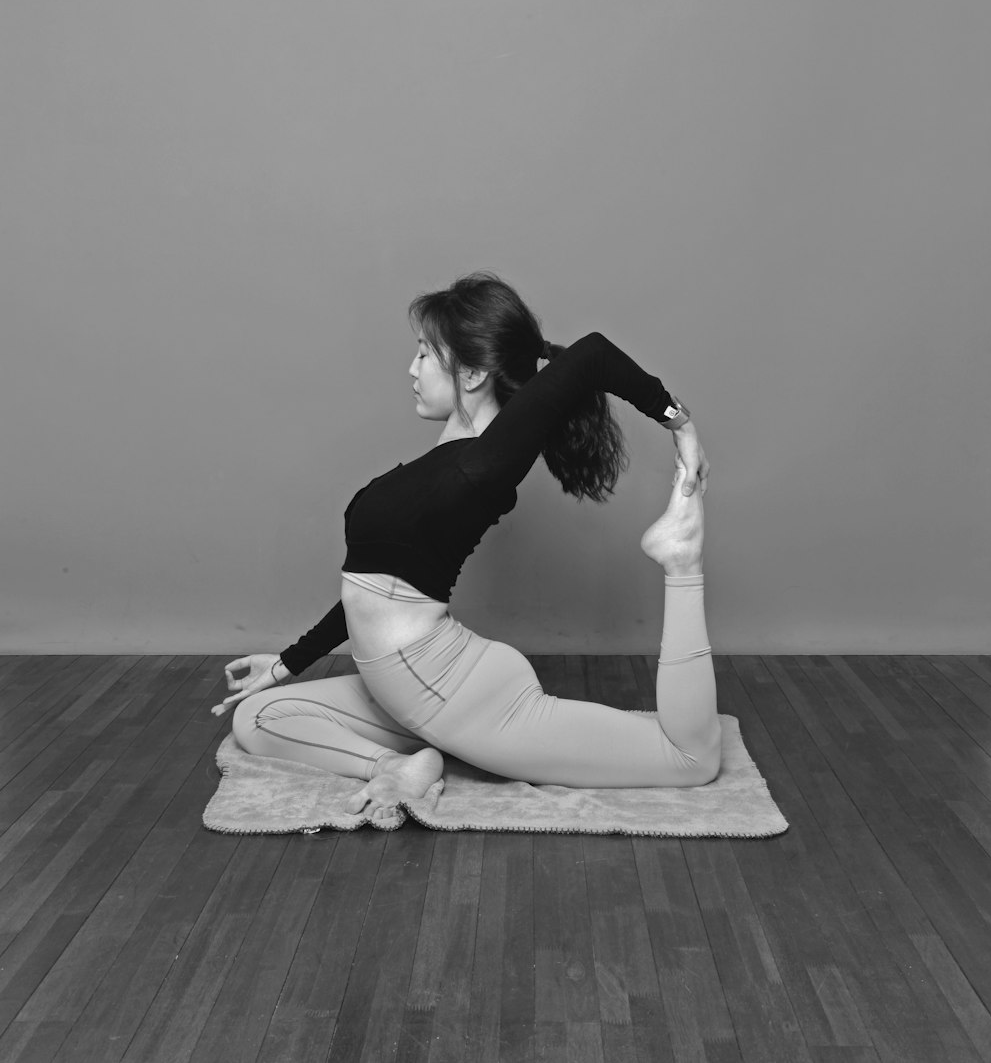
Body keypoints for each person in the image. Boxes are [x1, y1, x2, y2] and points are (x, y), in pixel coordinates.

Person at [213, 272, 718, 822]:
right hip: (410, 687)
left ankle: (681, 555)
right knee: (257, 718)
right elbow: (371, 589)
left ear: (474, 372)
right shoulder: (448, 453)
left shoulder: (487, 461)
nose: (411, 369)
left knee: (689, 759)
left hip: (460, 697)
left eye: (426, 356)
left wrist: (681, 426)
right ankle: (396, 763)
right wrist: (287, 664)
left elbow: (593, 354)